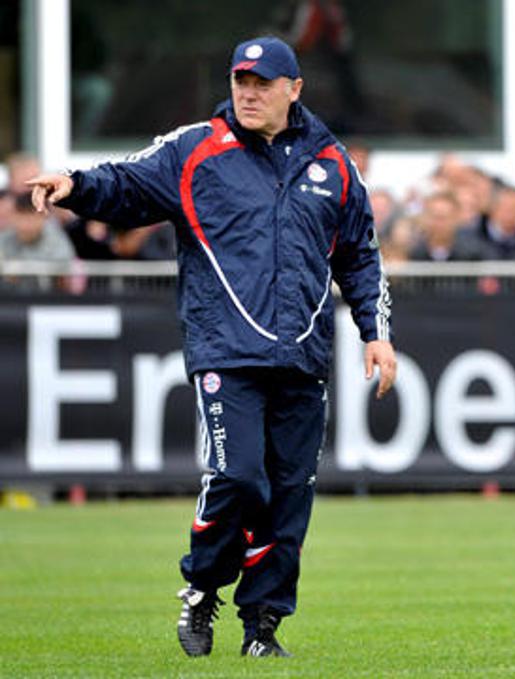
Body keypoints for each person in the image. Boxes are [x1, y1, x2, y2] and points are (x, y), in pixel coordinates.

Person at [28, 36, 396, 658]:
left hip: (304, 356)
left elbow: (361, 256)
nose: (248, 94)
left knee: (290, 496)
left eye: (262, 84)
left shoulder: (334, 164)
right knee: (239, 476)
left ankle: (263, 628)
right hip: (225, 348)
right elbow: (127, 183)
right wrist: (75, 184)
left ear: (294, 89)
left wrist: (376, 333)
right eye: (239, 82)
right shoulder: (196, 147)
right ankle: (202, 585)